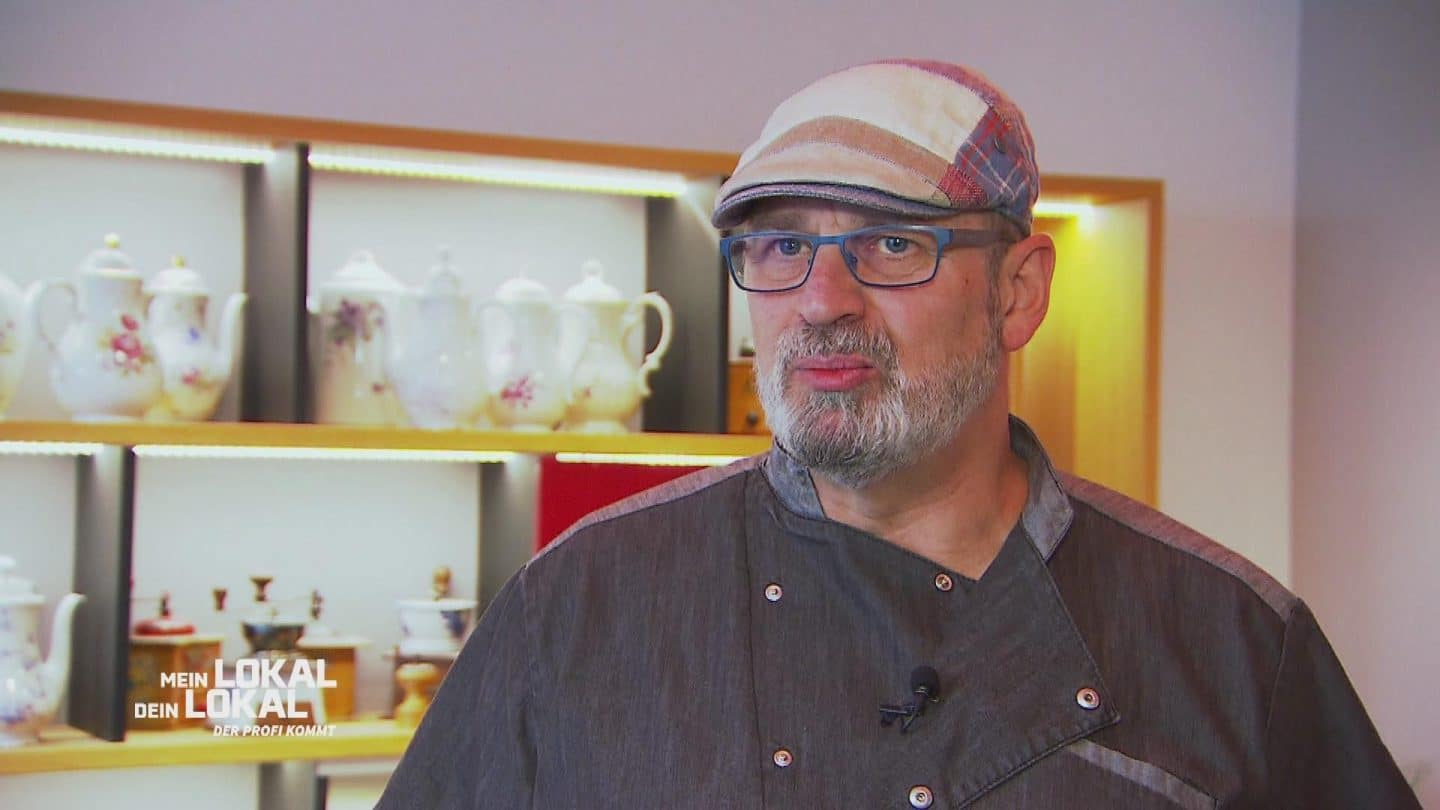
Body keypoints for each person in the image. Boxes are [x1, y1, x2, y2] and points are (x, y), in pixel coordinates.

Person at [377, 59, 1418, 809]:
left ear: (1017, 292)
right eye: (779, 247)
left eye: (890, 244)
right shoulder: (579, 607)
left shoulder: (1233, 643)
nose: (820, 300)